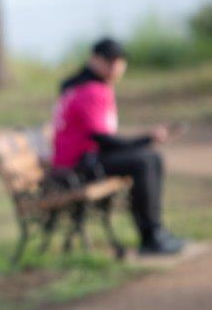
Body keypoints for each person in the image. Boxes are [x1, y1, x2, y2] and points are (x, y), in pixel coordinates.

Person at [52, 37, 185, 255]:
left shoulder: (81, 85)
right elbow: (103, 140)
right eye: (109, 61)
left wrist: (145, 141)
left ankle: (155, 232)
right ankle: (151, 236)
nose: (115, 66)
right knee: (144, 161)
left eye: (119, 61)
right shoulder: (91, 90)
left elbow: (102, 140)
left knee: (148, 158)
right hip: (77, 168)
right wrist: (146, 139)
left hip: (80, 162)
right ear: (94, 60)